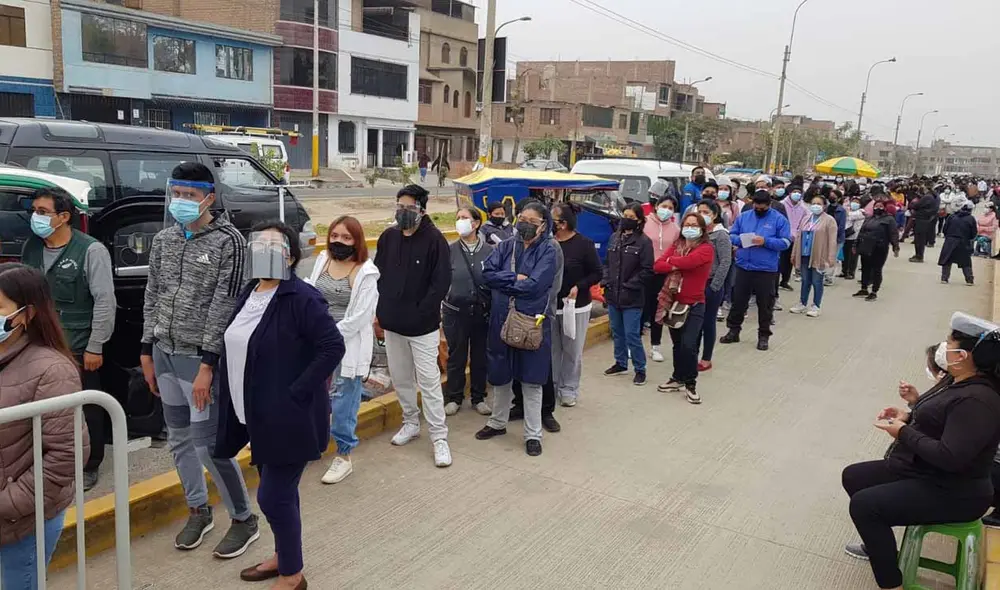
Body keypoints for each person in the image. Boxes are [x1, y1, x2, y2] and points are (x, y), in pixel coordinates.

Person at [215, 223, 345, 590]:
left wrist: (296, 392)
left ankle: (293, 574)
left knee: (273, 496)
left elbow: (332, 348)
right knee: (282, 495)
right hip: (254, 411)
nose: (264, 249)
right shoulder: (251, 292)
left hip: (289, 415)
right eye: (258, 243)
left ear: (289, 256)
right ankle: (285, 556)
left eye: (274, 245)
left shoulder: (302, 298)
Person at [140, 162, 258, 557]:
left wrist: (209, 364)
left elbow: (224, 307)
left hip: (199, 361)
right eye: (176, 194)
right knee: (178, 440)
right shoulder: (164, 241)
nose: (180, 202)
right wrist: (146, 349)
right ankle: (198, 509)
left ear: (209, 197)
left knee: (208, 445)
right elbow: (152, 295)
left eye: (189, 196)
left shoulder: (229, 243)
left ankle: (243, 517)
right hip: (164, 354)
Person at [841, 312, 1000, 590]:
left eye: (949, 343)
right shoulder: (958, 381)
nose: (944, 348)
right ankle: (880, 547)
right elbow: (941, 420)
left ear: (964, 354)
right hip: (929, 472)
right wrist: (910, 412)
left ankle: (892, 584)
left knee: (866, 506)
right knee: (854, 477)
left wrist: (903, 432)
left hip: (955, 491)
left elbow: (950, 456)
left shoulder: (978, 400)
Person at [0, 263, 89, 588]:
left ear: (26, 314)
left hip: (21, 520)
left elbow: (64, 458)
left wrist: (7, 504)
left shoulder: (52, 371)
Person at [20, 187, 114, 492]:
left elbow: (104, 301)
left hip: (77, 344)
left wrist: (95, 345)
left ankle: (91, 462)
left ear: (64, 217)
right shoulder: (31, 249)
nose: (37, 217)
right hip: (37, 343)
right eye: (35, 210)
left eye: (43, 212)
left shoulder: (91, 250)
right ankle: (48, 456)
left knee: (86, 404)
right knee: (42, 405)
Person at [374, 184, 453, 467]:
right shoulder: (388, 237)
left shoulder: (435, 240)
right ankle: (410, 422)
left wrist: (421, 312)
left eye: (409, 208)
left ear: (422, 209)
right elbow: (377, 276)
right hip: (392, 323)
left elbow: (440, 283)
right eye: (399, 206)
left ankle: (439, 437)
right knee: (401, 378)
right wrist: (380, 313)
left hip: (422, 327)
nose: (403, 212)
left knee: (429, 382)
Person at [475, 201, 558, 457]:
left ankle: (533, 434)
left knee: (532, 380)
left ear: (543, 226)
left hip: (531, 322)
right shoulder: (506, 245)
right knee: (500, 374)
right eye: (522, 219)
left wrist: (507, 282)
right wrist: (515, 279)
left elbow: (535, 285)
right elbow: (486, 275)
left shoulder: (549, 251)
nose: (525, 225)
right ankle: (497, 423)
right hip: (501, 318)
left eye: (532, 223)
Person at [307, 216, 379, 485]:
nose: (339, 241)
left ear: (357, 241)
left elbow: (360, 316)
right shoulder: (323, 259)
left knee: (344, 400)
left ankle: (344, 455)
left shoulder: (366, 272)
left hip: (346, 346)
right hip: (315, 342)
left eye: (347, 237)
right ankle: (311, 445)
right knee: (312, 396)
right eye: (335, 235)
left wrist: (328, 337)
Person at [653, 212, 714, 404]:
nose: (690, 228)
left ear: (702, 229)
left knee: (689, 345)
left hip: (694, 304)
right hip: (673, 302)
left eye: (694, 225)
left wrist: (671, 262)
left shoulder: (706, 249)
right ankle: (677, 377)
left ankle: (690, 383)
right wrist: (673, 264)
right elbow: (657, 265)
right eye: (687, 224)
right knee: (677, 344)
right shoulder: (677, 245)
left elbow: (690, 262)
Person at [720, 190, 792, 352]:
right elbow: (732, 235)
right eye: (756, 205)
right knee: (738, 301)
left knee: (765, 304)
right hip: (744, 266)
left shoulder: (779, 219)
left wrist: (765, 241)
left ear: (769, 204)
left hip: (766, 269)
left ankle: (763, 336)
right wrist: (742, 240)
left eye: (762, 206)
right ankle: (733, 330)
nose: (759, 208)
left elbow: (786, 242)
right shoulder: (745, 216)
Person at [441, 207, 493, 417]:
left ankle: (479, 397)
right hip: (455, 312)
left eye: (464, 218)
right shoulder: (449, 250)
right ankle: (454, 397)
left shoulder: (490, 251)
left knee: (481, 356)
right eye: (458, 218)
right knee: (456, 356)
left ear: (476, 223)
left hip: (481, 312)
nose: (460, 221)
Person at [551, 202, 602, 407]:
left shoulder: (584, 244)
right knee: (553, 350)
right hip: (551, 306)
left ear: (563, 223)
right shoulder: (549, 243)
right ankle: (552, 386)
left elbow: (597, 273)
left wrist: (579, 286)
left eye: (553, 220)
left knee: (572, 350)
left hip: (576, 306)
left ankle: (569, 388)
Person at [602, 203, 654, 384]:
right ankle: (620, 362)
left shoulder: (644, 242)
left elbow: (647, 270)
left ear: (639, 220)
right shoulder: (614, 238)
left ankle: (640, 368)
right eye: (625, 215)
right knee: (617, 331)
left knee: (632, 334)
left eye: (631, 217)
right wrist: (606, 281)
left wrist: (629, 285)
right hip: (613, 295)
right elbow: (607, 263)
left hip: (632, 296)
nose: (626, 220)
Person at [694, 200, 730, 372]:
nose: (702, 214)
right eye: (699, 211)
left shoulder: (721, 235)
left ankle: (706, 358)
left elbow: (725, 262)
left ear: (714, 215)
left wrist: (714, 286)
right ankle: (692, 354)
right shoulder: (697, 232)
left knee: (708, 322)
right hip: (696, 283)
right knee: (694, 321)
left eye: (705, 212)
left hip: (711, 285)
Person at [643, 195, 680, 363]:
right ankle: (632, 345)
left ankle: (655, 346)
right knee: (639, 310)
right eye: (664, 206)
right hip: (643, 273)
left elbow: (676, 251)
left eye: (671, 208)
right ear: (656, 206)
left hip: (662, 275)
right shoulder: (644, 222)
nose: (667, 210)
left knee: (658, 312)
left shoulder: (675, 229)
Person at [789, 194, 838, 317]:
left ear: (824, 206)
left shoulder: (829, 220)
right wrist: (794, 253)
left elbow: (832, 240)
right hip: (805, 254)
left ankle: (816, 305)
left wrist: (831, 257)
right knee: (805, 280)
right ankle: (802, 303)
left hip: (819, 255)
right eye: (814, 203)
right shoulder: (806, 218)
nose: (816, 206)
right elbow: (799, 236)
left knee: (817, 281)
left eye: (819, 204)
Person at [853, 200, 900, 302]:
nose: (878, 208)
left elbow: (893, 234)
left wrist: (895, 246)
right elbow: (861, 232)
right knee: (865, 268)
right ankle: (864, 288)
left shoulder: (889, 219)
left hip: (879, 248)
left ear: (884, 207)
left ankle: (874, 291)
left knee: (877, 270)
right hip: (866, 246)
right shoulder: (869, 218)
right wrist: (856, 245)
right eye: (876, 206)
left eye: (880, 206)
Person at [938, 200, 978, 285]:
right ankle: (969, 280)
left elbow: (945, 229)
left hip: (950, 241)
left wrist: (949, 236)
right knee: (966, 262)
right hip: (963, 242)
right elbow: (973, 233)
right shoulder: (971, 219)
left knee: (947, 260)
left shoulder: (952, 216)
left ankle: (944, 278)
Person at [779, 185, 808, 291]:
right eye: (795, 192)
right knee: (780, 260)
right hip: (782, 237)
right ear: (789, 193)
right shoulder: (782, 205)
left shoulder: (803, 208)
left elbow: (806, 221)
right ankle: (776, 279)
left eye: (799, 192)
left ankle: (785, 281)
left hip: (796, 238)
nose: (797, 194)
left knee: (790, 260)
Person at [909, 185, 939, 262]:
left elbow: (916, 205)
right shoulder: (934, 197)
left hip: (921, 219)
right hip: (925, 219)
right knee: (920, 239)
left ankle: (919, 256)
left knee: (919, 239)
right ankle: (918, 255)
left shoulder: (928, 197)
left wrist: (914, 205)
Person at [841, 197, 865, 280]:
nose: (854, 203)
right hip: (846, 235)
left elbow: (851, 216)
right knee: (845, 255)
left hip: (855, 237)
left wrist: (846, 211)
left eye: (857, 202)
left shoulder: (861, 212)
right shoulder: (848, 210)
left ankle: (851, 272)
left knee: (853, 256)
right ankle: (844, 271)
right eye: (853, 202)